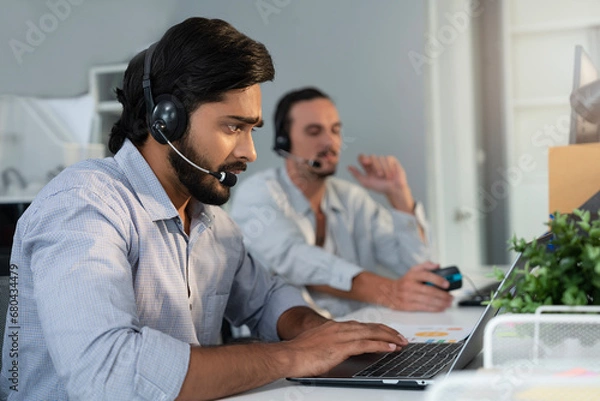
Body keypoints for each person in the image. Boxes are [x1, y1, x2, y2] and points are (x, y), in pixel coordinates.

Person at [0, 19, 408, 401]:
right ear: (166, 122)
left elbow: (267, 298)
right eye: (233, 127)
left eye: (252, 130)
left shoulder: (213, 224)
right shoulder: (83, 205)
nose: (248, 152)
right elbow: (108, 374)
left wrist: (324, 335)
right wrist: (294, 356)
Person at [230, 87, 454, 318]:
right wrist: (390, 292)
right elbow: (294, 259)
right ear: (284, 142)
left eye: (335, 130)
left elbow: (420, 270)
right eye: (314, 132)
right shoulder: (258, 194)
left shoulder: (351, 199)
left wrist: (399, 195)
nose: (330, 141)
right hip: (284, 343)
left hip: (358, 331)